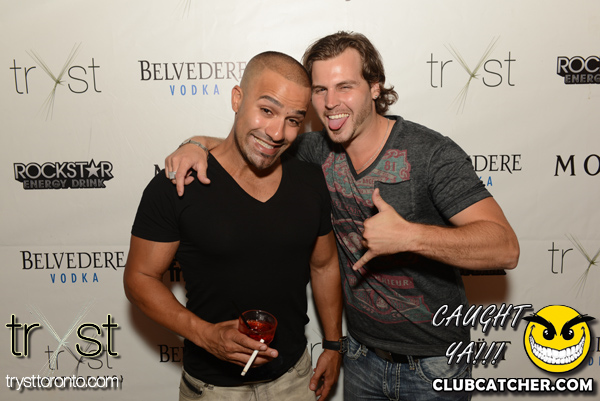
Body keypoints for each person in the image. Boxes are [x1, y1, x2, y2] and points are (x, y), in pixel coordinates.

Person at [165, 32, 520, 401]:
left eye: (345, 87)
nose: (331, 103)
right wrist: (195, 144)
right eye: (320, 90)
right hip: (361, 357)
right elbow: (252, 141)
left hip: (435, 364)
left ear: (375, 87)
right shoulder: (314, 150)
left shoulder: (429, 153)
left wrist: (410, 236)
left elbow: (505, 248)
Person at [124, 51, 343, 401]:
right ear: (237, 99)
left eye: (293, 120)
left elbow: (325, 264)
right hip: (212, 390)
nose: (277, 132)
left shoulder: (310, 181)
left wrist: (333, 345)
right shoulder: (179, 184)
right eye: (267, 110)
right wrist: (205, 335)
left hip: (296, 381)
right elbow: (139, 278)